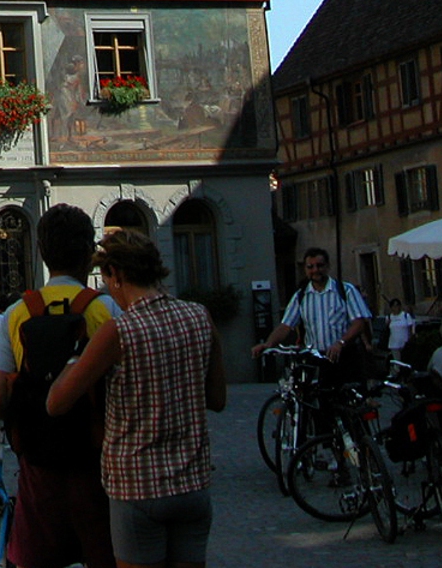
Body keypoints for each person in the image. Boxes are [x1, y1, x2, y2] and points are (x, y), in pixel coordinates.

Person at [48, 229, 225, 568]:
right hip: (192, 484)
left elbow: (56, 403)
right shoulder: (200, 316)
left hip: (137, 486)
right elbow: (217, 399)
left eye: (107, 280)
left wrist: (75, 356)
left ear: (116, 274)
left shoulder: (120, 331)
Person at [0, 205, 121, 568]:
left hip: (38, 460)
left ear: (42, 253)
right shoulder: (108, 310)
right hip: (97, 458)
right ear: (88, 253)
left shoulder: (17, 313)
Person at [252, 248, 372, 384]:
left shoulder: (346, 291)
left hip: (344, 357)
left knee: (348, 395)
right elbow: (285, 326)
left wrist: (341, 343)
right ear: (305, 269)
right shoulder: (301, 296)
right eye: (310, 267)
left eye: (319, 266)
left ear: (327, 266)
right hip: (316, 359)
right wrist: (268, 344)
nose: (315, 270)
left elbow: (359, 323)